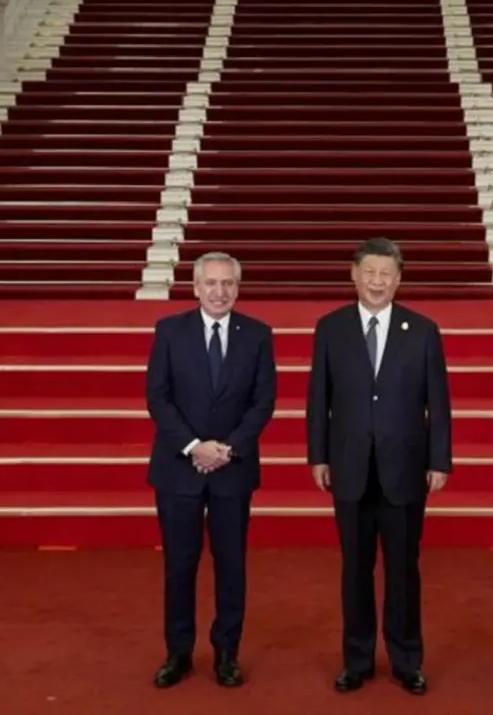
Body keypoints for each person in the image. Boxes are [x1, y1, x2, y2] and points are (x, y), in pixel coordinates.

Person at [305, 237, 452, 696]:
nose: (377, 281)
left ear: (399, 279)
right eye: (369, 272)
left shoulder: (422, 330)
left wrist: (439, 459)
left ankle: (407, 660)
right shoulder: (330, 328)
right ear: (353, 274)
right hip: (348, 466)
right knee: (355, 568)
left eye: (386, 273)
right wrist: (318, 455)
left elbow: (438, 402)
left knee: (404, 569)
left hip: (405, 467)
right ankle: (357, 660)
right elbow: (318, 398)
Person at [144, 252, 277, 689]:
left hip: (232, 469)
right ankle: (178, 653)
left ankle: (227, 654)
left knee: (231, 565)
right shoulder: (169, 331)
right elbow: (158, 397)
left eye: (228, 284)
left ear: (237, 288)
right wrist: (193, 446)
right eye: (212, 283)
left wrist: (227, 449)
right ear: (196, 287)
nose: (220, 292)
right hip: (178, 470)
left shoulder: (257, 335)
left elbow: (263, 402)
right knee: (179, 565)